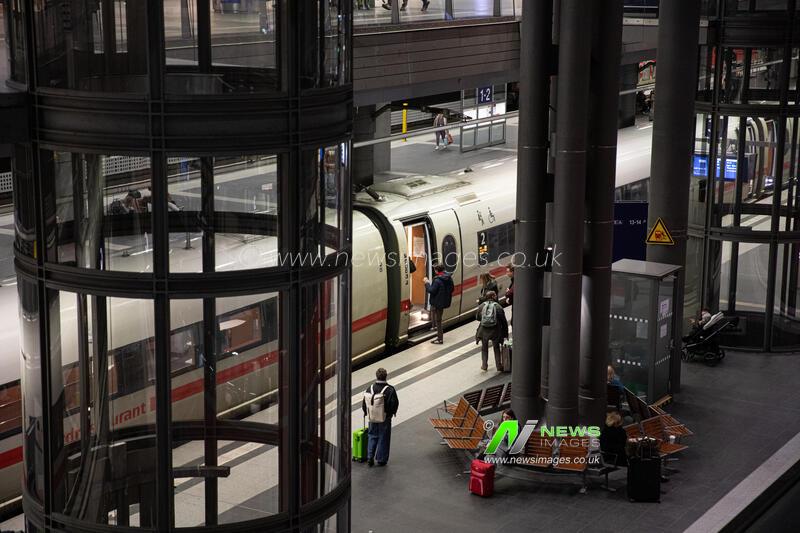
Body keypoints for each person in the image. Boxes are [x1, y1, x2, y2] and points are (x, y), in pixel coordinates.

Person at [361, 368, 399, 467]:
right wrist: (390, 414)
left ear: (376, 376)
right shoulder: (390, 389)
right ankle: (381, 459)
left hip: (372, 417)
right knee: (383, 437)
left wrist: (366, 412)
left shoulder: (370, 388)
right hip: (384, 418)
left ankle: (370, 457)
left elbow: (364, 403)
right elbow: (394, 404)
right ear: (386, 376)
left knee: (372, 435)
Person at [475, 291, 508, 371]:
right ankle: (498, 366)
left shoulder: (482, 306)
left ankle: (484, 365)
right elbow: (504, 321)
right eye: (495, 295)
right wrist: (505, 334)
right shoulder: (498, 307)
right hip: (495, 330)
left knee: (484, 347)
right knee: (496, 347)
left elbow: (477, 317)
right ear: (493, 296)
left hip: (483, 331)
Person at [424, 264, 454, 344]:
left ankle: (440, 339)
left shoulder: (437, 280)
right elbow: (452, 289)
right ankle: (434, 327)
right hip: (443, 301)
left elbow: (431, 290)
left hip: (437, 303)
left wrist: (427, 283)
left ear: (436, 271)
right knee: (435, 314)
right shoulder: (448, 277)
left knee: (439, 321)